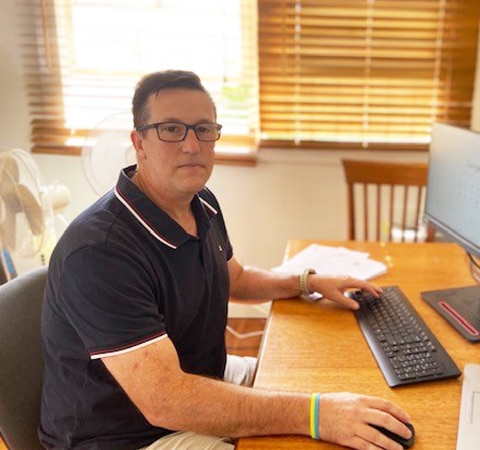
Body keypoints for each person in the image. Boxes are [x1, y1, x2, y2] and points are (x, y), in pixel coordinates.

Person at [39, 70, 413, 450]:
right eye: (171, 129)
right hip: (128, 435)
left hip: (197, 380)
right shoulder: (99, 252)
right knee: (314, 420)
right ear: (139, 142)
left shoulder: (201, 203)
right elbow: (165, 400)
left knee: (316, 385)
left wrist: (307, 282)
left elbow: (234, 277)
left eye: (203, 129)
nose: (191, 145)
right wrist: (316, 415)